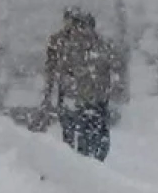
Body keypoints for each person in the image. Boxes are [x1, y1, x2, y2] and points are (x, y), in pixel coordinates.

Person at [43, 9, 117, 161]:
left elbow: (55, 70)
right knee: (95, 135)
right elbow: (110, 70)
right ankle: (91, 162)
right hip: (95, 99)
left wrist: (51, 93)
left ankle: (79, 162)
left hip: (76, 99)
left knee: (75, 134)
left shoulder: (64, 43)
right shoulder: (100, 43)